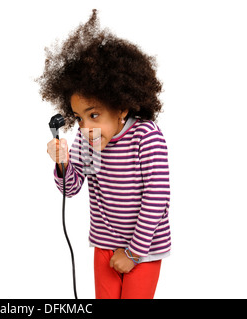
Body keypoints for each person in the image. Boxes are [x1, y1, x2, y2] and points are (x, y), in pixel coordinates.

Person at [37, 9, 171, 299]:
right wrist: (63, 163)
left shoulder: (145, 137)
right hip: (105, 243)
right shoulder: (89, 139)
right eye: (79, 117)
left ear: (122, 107)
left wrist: (134, 253)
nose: (85, 126)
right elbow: (71, 188)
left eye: (94, 114)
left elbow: (156, 197)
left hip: (143, 248)